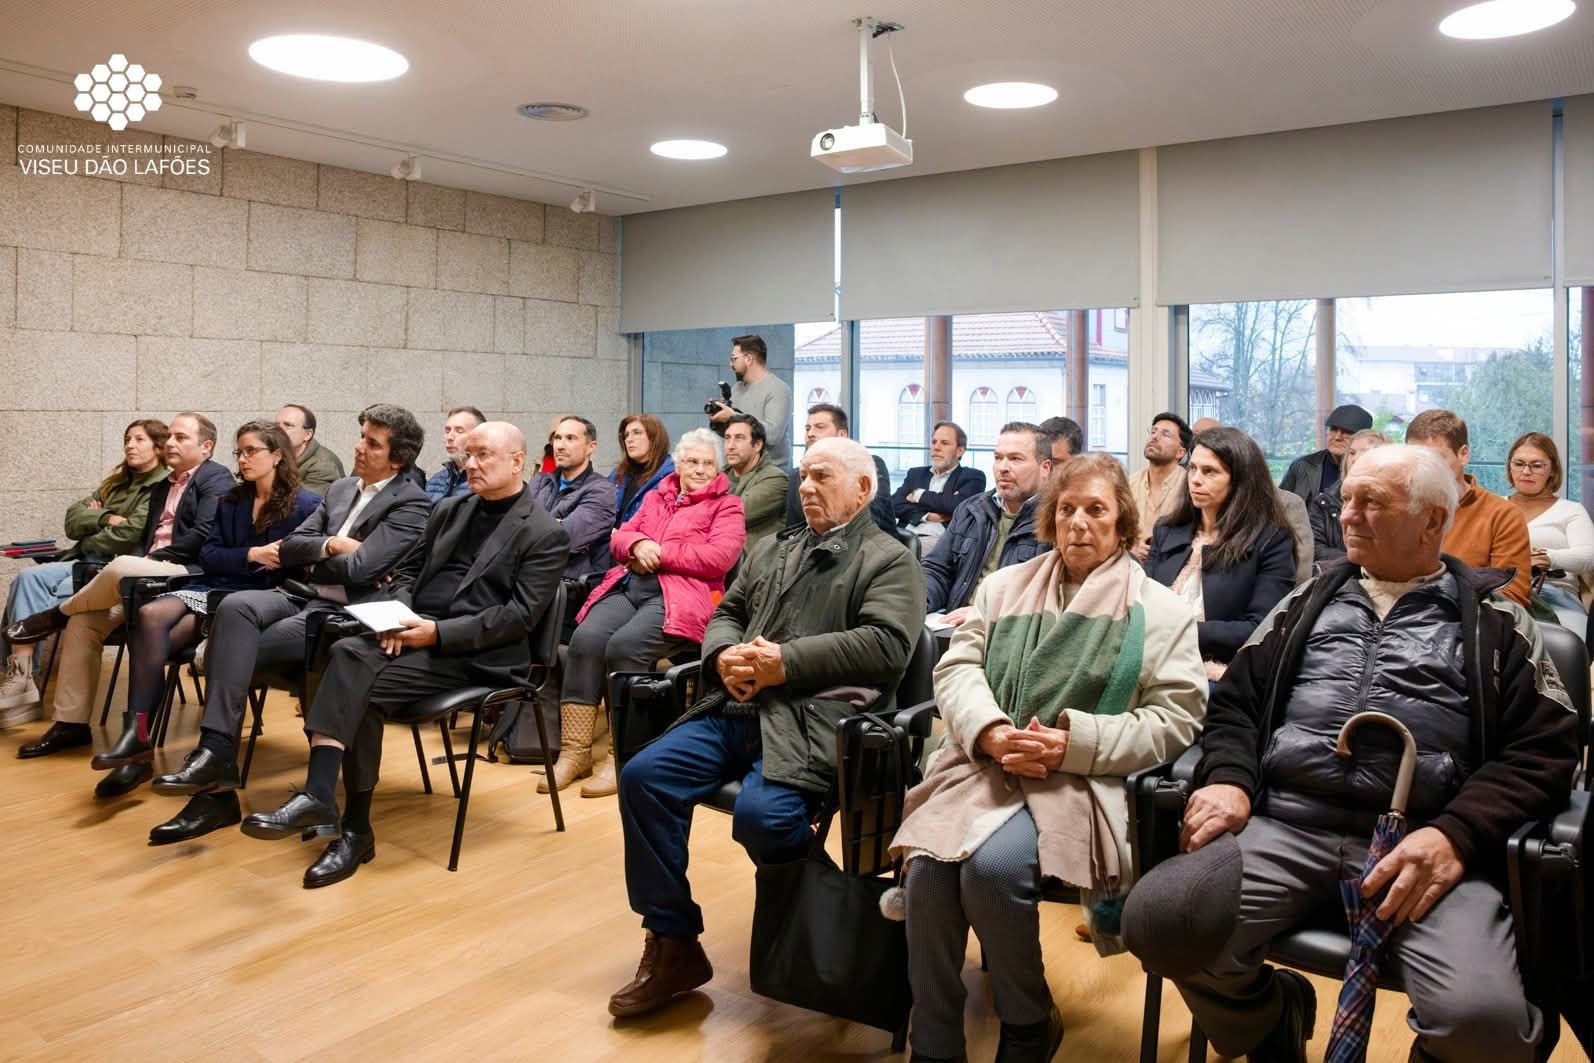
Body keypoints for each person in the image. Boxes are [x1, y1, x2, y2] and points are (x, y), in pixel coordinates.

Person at [1160, 445, 1578, 1063]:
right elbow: (1235, 707)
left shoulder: (1498, 624)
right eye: (1346, 499)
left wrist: (1456, 836)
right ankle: (1272, 1018)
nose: (1346, 516)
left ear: (1433, 520)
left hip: (1425, 847)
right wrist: (1229, 779)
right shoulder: (1303, 604)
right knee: (1162, 926)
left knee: (1484, 1024)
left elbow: (1544, 752)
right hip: (1287, 826)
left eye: (1370, 503)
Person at [893, 453, 1206, 1063]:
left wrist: (1075, 743)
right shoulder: (1005, 586)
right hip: (985, 762)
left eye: (1097, 510)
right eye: (1066, 510)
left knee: (990, 869)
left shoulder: (1160, 610)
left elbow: (1177, 718)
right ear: (1050, 518)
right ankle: (933, 1040)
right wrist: (987, 731)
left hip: (1082, 780)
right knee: (929, 869)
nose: (1079, 523)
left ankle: (1029, 1021)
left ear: (1123, 523)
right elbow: (956, 667)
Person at [607, 436, 925, 1018]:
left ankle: (824, 922)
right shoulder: (775, 549)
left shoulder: (889, 558)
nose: (805, 487)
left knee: (765, 817)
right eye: (803, 475)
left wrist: (786, 663)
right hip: (738, 706)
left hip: (816, 717)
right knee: (644, 776)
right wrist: (723, 656)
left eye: (821, 476)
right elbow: (727, 611)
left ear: (863, 488)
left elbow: (888, 645)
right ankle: (674, 941)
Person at [239, 422, 568, 889]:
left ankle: (342, 817)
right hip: (414, 630)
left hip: (478, 653)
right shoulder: (452, 508)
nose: (470, 464)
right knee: (345, 653)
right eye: (467, 455)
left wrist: (434, 633)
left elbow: (519, 618)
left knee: (353, 667)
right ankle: (342, 818)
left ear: (518, 461)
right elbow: (410, 570)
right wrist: (400, 615)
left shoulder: (542, 532)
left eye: (483, 456)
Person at [146, 405, 432, 844]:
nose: (358, 446)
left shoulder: (411, 503)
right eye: (362, 436)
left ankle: (217, 791)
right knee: (237, 607)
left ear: (397, 459)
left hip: (345, 615)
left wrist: (322, 555)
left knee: (227, 650)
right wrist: (334, 544)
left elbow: (360, 571)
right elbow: (291, 545)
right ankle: (218, 750)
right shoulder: (338, 490)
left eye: (372, 443)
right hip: (303, 595)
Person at [84, 422, 320, 798]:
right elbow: (209, 556)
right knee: (149, 616)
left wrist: (242, 560)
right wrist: (253, 555)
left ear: (277, 455)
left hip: (258, 600)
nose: (242, 459)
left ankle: (155, 752)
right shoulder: (231, 500)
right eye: (239, 452)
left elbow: (293, 565)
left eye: (251, 451)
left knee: (172, 622)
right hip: (214, 588)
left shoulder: (305, 505)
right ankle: (138, 739)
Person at [8, 414, 235, 760]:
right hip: (146, 577)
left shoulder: (215, 478)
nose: (170, 443)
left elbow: (201, 536)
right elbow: (133, 535)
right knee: (84, 623)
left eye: (181, 437)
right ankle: (71, 724)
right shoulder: (162, 485)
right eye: (170, 436)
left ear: (206, 447)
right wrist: (145, 558)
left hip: (187, 574)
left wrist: (155, 560)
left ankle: (55, 615)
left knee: (122, 565)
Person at [549, 429, 746, 798]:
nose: (700, 469)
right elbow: (619, 535)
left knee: (624, 648)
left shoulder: (728, 505)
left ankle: (620, 756)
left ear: (718, 468)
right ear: (679, 464)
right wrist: (637, 544)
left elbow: (720, 558)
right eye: (692, 461)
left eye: (707, 463)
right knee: (585, 641)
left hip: (684, 596)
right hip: (631, 585)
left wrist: (659, 553)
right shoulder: (660, 494)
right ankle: (574, 752)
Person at [0, 419, 170, 725]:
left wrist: (95, 522)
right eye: (127, 439)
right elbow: (72, 519)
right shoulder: (115, 483)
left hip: (113, 568)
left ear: (158, 447)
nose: (130, 445)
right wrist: (107, 518)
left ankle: (25, 688)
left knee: (54, 590)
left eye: (139, 440)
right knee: (27, 578)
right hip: (82, 558)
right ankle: (22, 679)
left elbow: (131, 534)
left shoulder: (161, 487)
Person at [1145, 426, 1295, 680]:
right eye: (1192, 468)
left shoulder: (1270, 540)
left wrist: (1181, 631)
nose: (1195, 479)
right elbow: (1141, 603)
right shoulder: (1167, 530)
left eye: (1209, 471)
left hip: (1221, 671)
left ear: (1239, 481)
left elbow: (1261, 628)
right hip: (1151, 660)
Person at [922, 422, 1054, 625]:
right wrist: (920, 601)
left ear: (1044, 468)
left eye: (1015, 459)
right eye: (998, 458)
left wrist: (984, 611)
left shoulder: (1058, 520)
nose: (1003, 468)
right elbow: (938, 570)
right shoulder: (971, 510)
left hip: (1010, 632)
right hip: (951, 625)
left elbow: (1048, 596)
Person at [1406, 409, 1533, 608]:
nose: (1425, 470)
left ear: (1463, 454)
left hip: (1466, 624)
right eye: (1416, 460)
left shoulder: (1502, 515)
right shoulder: (1398, 507)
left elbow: (1510, 596)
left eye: (1436, 459)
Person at [1505, 431, 1594, 630]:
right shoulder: (1495, 507)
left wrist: (1547, 558)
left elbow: (1589, 556)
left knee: (1566, 649)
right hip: (1502, 594)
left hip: (1555, 595)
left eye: (1536, 465)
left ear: (1552, 470)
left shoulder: (1571, 510)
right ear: (1509, 466)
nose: (1526, 472)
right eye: (1519, 463)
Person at [528, 415, 619, 581]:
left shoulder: (602, 490)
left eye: (570, 438)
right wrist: (555, 523)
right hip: (529, 574)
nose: (560, 446)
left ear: (590, 447)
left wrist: (531, 524)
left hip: (568, 585)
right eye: (557, 438)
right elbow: (511, 527)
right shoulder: (540, 482)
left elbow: (565, 539)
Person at [781, 404, 895, 534]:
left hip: (869, 547)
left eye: (820, 427)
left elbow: (867, 520)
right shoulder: (797, 474)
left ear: (842, 434)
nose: (810, 434)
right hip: (812, 548)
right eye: (808, 429)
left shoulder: (870, 465)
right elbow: (793, 528)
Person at [891, 421, 987, 547]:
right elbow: (894, 504)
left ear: (959, 451)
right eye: (934, 442)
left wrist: (918, 494)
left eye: (945, 443)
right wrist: (926, 515)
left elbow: (956, 506)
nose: (936, 447)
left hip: (939, 543)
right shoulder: (916, 473)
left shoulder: (973, 477)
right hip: (903, 535)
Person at [706, 334, 792, 469]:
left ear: (748, 359)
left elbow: (772, 435)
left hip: (769, 471)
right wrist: (718, 421)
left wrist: (734, 416)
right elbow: (733, 433)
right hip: (739, 470)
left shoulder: (778, 389)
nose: (731, 364)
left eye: (734, 359)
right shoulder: (736, 389)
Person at [1309, 428, 1389, 565]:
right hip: (1337, 577)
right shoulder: (1324, 502)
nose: (1355, 458)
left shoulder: (1394, 499)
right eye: (1351, 453)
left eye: (1365, 452)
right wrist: (1357, 561)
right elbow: (1314, 549)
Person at [1278, 403, 1373, 504]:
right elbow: (1279, 508)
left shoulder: (1372, 472)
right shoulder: (1302, 466)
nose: (1337, 437)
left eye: (1347, 432)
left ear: (1363, 438)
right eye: (1333, 429)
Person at [1130, 412, 1191, 561]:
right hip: (1131, 570)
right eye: (1153, 432)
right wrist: (1131, 548)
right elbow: (1113, 530)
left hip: (1172, 570)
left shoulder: (1190, 486)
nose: (1154, 437)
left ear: (1180, 452)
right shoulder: (1129, 483)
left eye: (1166, 435)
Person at [722, 414, 788, 549]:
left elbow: (734, 515)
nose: (730, 446)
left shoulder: (775, 479)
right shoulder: (717, 476)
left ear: (757, 445)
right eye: (727, 438)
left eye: (739, 438)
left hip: (753, 564)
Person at [612, 414, 675, 526]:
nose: (629, 439)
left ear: (654, 437)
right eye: (626, 435)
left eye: (637, 433)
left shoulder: (672, 474)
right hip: (611, 540)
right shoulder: (618, 473)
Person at [275, 404, 345, 495]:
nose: (278, 430)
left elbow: (302, 506)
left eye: (288, 425)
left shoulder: (323, 466)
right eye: (276, 425)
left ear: (308, 434)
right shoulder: (274, 453)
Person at [424, 406, 484, 503]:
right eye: (447, 431)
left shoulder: (486, 482)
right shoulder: (436, 480)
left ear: (479, 436)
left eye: (459, 431)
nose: (450, 437)